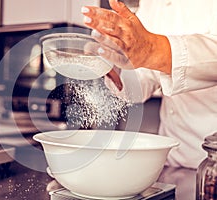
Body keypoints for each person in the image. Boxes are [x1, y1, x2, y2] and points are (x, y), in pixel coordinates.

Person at [81, 0, 217, 169]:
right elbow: (143, 79)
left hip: (212, 158)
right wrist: (115, 64)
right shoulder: (153, 3)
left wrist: (153, 50)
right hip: (173, 159)